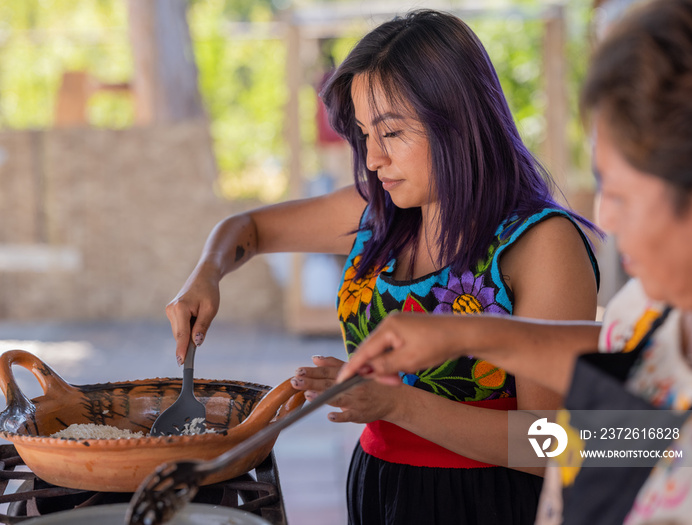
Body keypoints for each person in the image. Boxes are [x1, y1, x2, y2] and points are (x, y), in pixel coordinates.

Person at [166, 9, 601, 525]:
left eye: (391, 133)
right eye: (364, 134)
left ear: (457, 121)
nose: (372, 159)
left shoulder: (540, 243)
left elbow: (552, 446)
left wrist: (396, 406)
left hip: (487, 504)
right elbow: (250, 229)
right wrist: (207, 273)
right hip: (379, 487)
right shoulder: (380, 213)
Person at [338, 1, 692, 523]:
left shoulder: (545, 242)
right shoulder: (648, 311)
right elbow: (617, 433)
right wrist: (465, 336)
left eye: (623, 194)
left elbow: (601, 444)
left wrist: (404, 405)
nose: (605, 219)